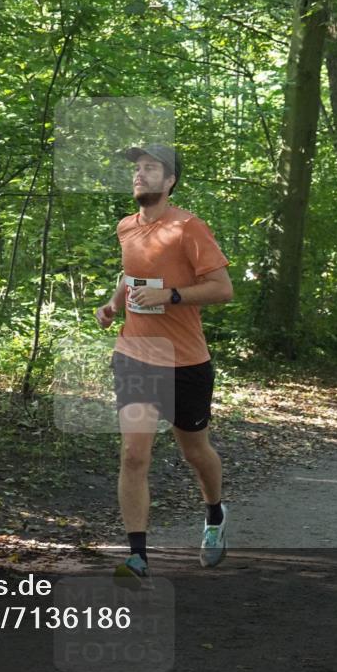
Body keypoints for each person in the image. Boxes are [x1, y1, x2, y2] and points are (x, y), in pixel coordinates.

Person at [95, 143, 234, 587]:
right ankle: (137, 557)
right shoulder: (126, 227)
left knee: (196, 452)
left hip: (186, 362)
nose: (139, 175)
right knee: (134, 455)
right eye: (136, 168)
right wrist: (115, 303)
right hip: (136, 354)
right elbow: (131, 273)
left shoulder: (188, 228)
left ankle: (214, 511)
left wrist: (172, 296)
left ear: (170, 179)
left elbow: (222, 288)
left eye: (150, 168)